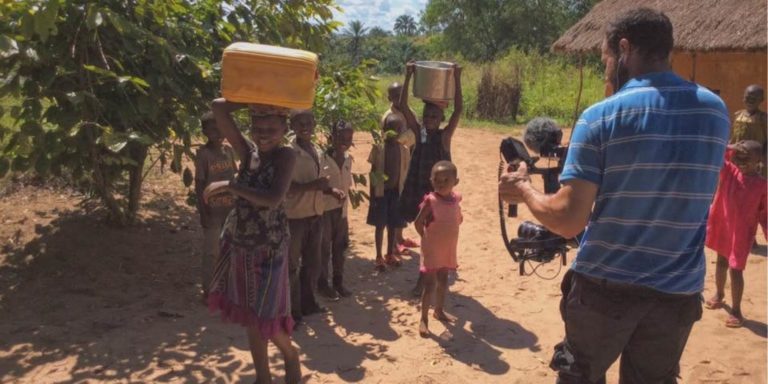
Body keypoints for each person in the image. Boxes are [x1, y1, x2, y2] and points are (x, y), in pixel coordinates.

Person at [499, 8, 729, 383]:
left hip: (605, 291)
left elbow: (569, 219)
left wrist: (523, 188)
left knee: (581, 375)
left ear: (624, 49)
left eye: (606, 59)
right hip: (676, 294)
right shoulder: (716, 113)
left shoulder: (601, 117)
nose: (606, 69)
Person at [205, 99, 300, 384]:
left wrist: (231, 185)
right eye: (257, 127)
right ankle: (263, 378)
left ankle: (291, 355)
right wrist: (255, 95)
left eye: (272, 127)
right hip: (241, 244)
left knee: (266, 317)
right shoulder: (248, 152)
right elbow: (218, 108)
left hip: (270, 248)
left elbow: (272, 200)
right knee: (251, 317)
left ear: (285, 128)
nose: (264, 133)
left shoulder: (286, 156)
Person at [399, 61, 462, 295]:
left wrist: (456, 78)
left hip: (440, 197)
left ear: (441, 117)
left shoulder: (445, 137)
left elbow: (458, 111)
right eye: (427, 115)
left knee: (433, 239)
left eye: (434, 115)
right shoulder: (419, 133)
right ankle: (425, 278)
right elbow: (403, 105)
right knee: (426, 237)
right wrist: (408, 76)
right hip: (421, 193)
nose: (429, 118)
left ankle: (426, 280)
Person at [704, 140, 767, 328]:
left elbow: (765, 213)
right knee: (721, 261)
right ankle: (719, 293)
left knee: (736, 268)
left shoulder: (762, 185)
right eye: (739, 157)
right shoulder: (730, 172)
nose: (741, 162)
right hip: (723, 227)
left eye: (747, 158)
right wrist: (731, 147)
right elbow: (717, 154)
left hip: (741, 233)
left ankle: (737, 310)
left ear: (759, 161)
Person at [285, 110, 338, 323]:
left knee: (312, 262)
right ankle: (291, 311)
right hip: (295, 216)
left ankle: (308, 303)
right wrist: (313, 186)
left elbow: (317, 183)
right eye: (300, 123)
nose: (305, 126)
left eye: (308, 122)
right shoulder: (288, 152)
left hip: (315, 214)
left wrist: (330, 191)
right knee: (291, 265)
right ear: (292, 125)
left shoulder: (316, 148)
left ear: (315, 123)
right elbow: (286, 187)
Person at [414, 161, 462, 338]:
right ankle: (424, 319)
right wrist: (426, 238)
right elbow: (418, 222)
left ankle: (439, 310)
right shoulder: (431, 201)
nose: (440, 183)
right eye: (437, 180)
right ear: (431, 180)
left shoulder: (456, 199)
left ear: (455, 181)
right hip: (433, 248)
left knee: (443, 281)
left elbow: (458, 217)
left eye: (445, 180)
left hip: (448, 248)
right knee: (429, 285)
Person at [194, 112, 237, 300]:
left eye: (221, 128)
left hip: (230, 209)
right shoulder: (204, 155)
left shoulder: (229, 151)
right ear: (204, 131)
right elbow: (199, 185)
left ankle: (225, 287)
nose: (218, 133)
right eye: (213, 129)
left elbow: (236, 178)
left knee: (229, 248)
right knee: (212, 251)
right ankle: (209, 290)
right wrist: (203, 213)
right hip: (212, 211)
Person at [367, 114, 410, 271]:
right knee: (380, 225)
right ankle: (378, 256)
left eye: (399, 129)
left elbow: (405, 172)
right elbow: (372, 173)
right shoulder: (378, 148)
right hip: (381, 194)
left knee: (393, 224)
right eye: (391, 129)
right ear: (384, 130)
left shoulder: (404, 150)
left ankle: (389, 253)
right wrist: (372, 196)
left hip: (396, 193)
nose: (395, 132)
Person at [317, 121, 354, 300]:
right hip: (325, 210)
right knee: (324, 249)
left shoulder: (348, 160)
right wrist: (330, 191)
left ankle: (338, 282)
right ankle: (323, 284)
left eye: (348, 138)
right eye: (340, 137)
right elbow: (317, 185)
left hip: (342, 212)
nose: (344, 141)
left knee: (340, 247)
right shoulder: (322, 159)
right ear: (331, 138)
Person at [381, 82, 420, 253]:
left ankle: (400, 236)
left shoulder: (409, 112)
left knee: (405, 198)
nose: (399, 98)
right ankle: (396, 241)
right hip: (395, 164)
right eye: (395, 95)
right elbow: (393, 142)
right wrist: (413, 135)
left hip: (409, 160)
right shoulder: (388, 117)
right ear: (389, 98)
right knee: (396, 199)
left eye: (402, 94)